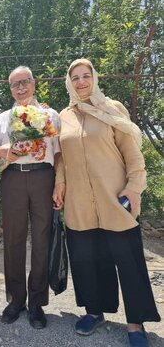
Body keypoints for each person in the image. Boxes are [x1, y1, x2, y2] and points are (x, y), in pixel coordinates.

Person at [53, 58, 161, 347]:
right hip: (79, 204)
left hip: (116, 200)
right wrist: (60, 184)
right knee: (86, 260)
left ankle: (135, 323)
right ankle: (94, 312)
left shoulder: (112, 109)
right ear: (69, 82)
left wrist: (135, 188)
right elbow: (61, 155)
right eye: (75, 77)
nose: (81, 82)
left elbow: (133, 154)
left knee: (128, 262)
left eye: (85, 76)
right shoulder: (65, 116)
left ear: (94, 78)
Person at [0, 66, 60, 329]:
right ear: (10, 89)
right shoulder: (1, 119)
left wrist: (59, 183)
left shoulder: (50, 115)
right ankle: (16, 299)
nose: (20, 87)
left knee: (42, 239)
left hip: (43, 176)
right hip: (13, 178)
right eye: (15, 84)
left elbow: (59, 152)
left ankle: (37, 303)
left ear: (34, 83)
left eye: (25, 82)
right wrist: (2, 150)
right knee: (13, 239)